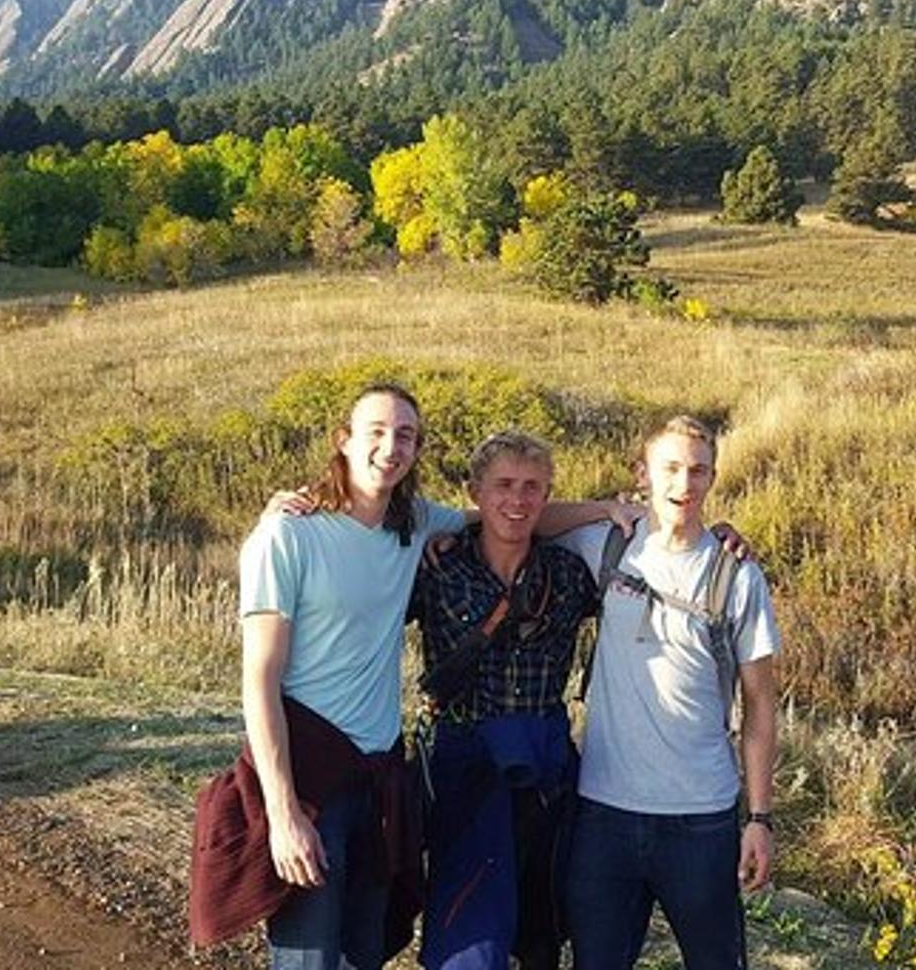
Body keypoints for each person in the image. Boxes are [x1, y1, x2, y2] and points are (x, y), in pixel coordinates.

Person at [232, 384, 627, 970]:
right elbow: (258, 680)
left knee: (376, 942)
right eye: (377, 432)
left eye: (406, 435)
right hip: (326, 770)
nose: (390, 447)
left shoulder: (418, 529)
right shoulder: (298, 536)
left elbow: (511, 516)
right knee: (320, 948)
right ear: (344, 440)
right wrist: (283, 810)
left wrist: (617, 510)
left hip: (391, 771)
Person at [558, 416, 781, 970]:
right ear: (643, 473)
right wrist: (601, 508)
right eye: (671, 468)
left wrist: (759, 818)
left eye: (699, 470)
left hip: (700, 819)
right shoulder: (607, 546)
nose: (685, 484)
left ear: (713, 478)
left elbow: (760, 705)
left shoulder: (738, 575)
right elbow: (520, 516)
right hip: (604, 811)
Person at [409, 430, 599, 970]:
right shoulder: (436, 570)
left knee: (541, 921)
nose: (517, 500)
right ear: (474, 491)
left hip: (544, 762)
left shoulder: (567, 573)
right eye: (503, 486)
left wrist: (723, 536)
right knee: (467, 923)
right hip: (463, 762)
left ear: (548, 495)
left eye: (532, 488)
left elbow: (665, 547)